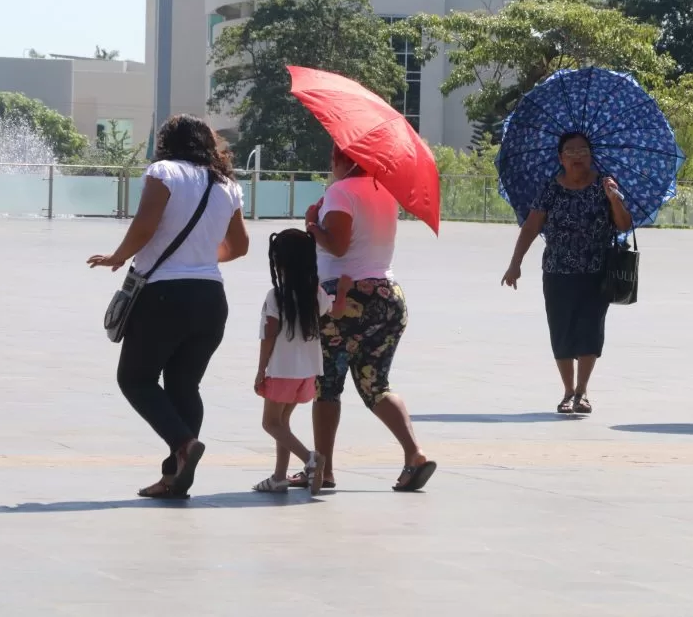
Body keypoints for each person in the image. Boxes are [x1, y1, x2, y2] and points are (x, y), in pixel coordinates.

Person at [88, 114, 249, 498]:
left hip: (164, 295)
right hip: (211, 297)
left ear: (167, 142)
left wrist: (117, 256)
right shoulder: (227, 184)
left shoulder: (164, 172)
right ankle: (174, 478)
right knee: (184, 384)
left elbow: (145, 226)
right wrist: (199, 258)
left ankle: (182, 445)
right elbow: (240, 246)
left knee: (136, 380)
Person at [285, 145, 436, 492]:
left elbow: (337, 247)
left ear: (342, 160)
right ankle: (414, 454)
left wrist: (311, 224)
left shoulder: (340, 191)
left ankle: (322, 469)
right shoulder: (385, 193)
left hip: (346, 298)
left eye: (331, 159)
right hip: (387, 297)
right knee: (376, 384)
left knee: (328, 385)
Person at [501, 132, 633, 414]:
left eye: (582, 150)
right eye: (570, 151)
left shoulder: (604, 185)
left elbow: (624, 226)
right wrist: (516, 262)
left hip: (597, 271)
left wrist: (614, 199)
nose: (577, 156)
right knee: (561, 330)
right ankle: (567, 391)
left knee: (590, 329)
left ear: (591, 155)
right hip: (557, 271)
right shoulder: (551, 188)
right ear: (560, 158)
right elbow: (532, 226)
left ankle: (582, 392)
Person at [252, 228, 350, 495]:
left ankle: (311, 459)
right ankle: (279, 477)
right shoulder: (316, 293)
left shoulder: (276, 296)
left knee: (270, 423)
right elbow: (337, 311)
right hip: (308, 371)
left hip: (282, 369)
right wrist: (342, 291)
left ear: (279, 262)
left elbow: (269, 334)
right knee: (282, 423)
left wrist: (261, 369)